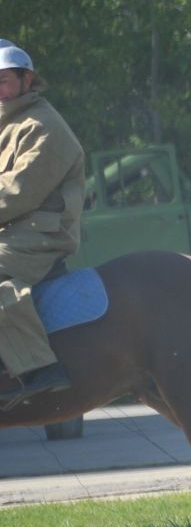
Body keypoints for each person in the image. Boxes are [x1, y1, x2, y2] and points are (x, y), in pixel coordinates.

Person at [0, 41, 85, 400]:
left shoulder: (44, 126)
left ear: (27, 79)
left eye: (3, 80)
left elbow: (18, 192)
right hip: (14, 230)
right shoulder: (8, 123)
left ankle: (38, 367)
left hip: (41, 234)